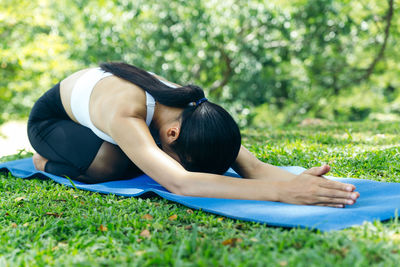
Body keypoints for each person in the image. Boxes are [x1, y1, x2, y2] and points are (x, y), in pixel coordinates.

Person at [27, 62, 359, 208]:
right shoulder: (126, 111)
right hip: (52, 122)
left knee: (137, 159)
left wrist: (302, 182)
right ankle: (43, 162)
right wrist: (282, 193)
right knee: (111, 165)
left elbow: (252, 168)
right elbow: (182, 182)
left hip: (99, 116)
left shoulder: (197, 112)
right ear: (171, 134)